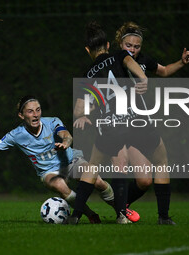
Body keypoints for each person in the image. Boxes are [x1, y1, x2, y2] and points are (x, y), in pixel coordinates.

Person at [0, 95, 117, 224]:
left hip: (70, 161)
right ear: (21, 115)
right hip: (48, 172)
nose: (35, 114)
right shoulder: (16, 134)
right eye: (30, 111)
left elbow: (67, 135)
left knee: (98, 181)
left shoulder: (52, 122)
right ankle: (90, 214)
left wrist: (65, 143)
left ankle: (121, 209)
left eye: (38, 110)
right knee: (59, 184)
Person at [114, 21, 189, 225]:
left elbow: (164, 70)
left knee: (144, 180)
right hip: (117, 123)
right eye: (128, 45)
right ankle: (161, 216)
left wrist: (181, 62)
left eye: (137, 46)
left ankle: (126, 208)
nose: (132, 49)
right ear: (120, 44)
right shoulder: (113, 61)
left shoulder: (143, 60)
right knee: (122, 167)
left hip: (140, 121)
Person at [68, 21, 147, 224]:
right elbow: (135, 69)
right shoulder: (120, 56)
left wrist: (91, 107)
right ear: (109, 45)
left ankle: (76, 215)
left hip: (108, 124)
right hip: (129, 120)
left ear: (88, 49)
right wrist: (142, 80)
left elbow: (78, 110)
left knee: (93, 165)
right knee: (122, 166)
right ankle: (121, 214)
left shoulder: (89, 74)